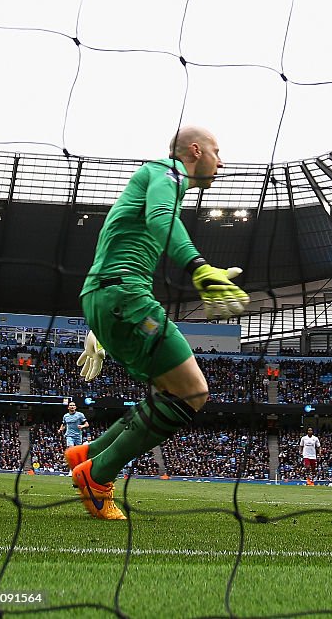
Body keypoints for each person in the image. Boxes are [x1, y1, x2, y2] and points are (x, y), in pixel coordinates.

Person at [65, 126, 249, 520]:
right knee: (192, 393)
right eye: (219, 151)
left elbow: (117, 243)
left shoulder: (152, 179)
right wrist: (198, 267)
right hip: (126, 298)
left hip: (111, 298)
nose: (222, 162)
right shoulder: (167, 173)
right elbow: (160, 217)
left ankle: (89, 454)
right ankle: (97, 475)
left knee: (170, 389)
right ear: (196, 151)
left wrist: (101, 320)